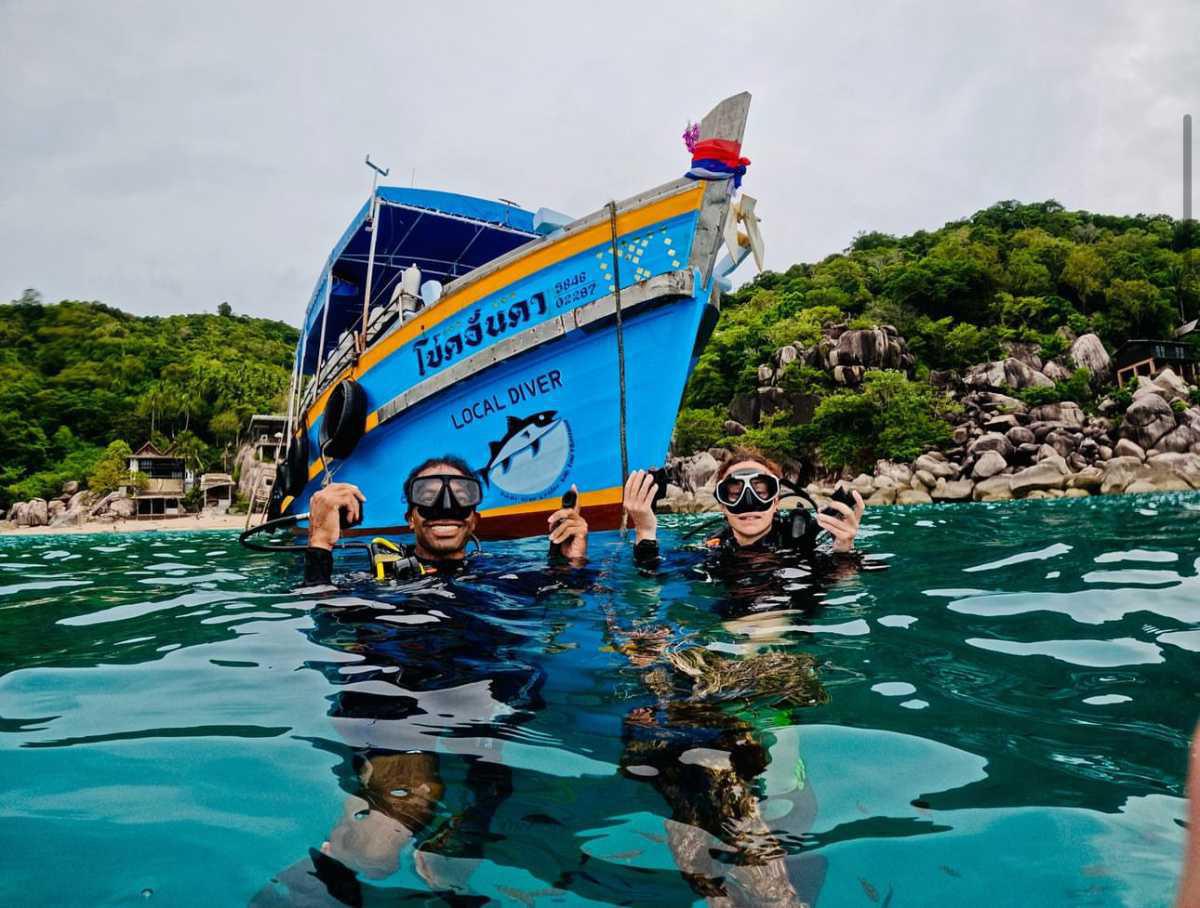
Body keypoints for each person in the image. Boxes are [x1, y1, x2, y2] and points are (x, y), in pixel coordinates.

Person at [301, 454, 589, 585]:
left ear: (474, 520)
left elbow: (568, 599)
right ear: (410, 519)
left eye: (461, 496)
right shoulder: (377, 581)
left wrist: (568, 562)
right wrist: (320, 544)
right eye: (428, 496)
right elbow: (322, 614)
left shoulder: (503, 574)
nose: (445, 508)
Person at [622, 447, 865, 570]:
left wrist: (844, 553)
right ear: (722, 505)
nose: (749, 503)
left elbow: (846, 587)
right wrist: (645, 531)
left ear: (776, 500)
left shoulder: (805, 541)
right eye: (734, 493)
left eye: (761, 491)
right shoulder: (713, 551)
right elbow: (652, 575)